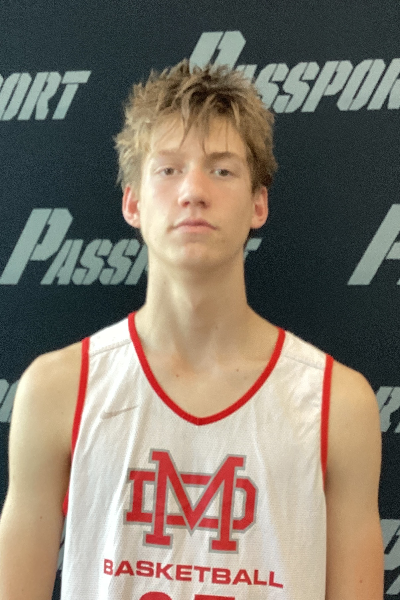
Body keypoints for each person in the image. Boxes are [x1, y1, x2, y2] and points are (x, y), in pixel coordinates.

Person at [0, 60, 383, 600]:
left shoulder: (337, 405)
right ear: (133, 202)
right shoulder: (57, 390)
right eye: (168, 169)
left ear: (259, 203)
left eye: (222, 170)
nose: (193, 191)